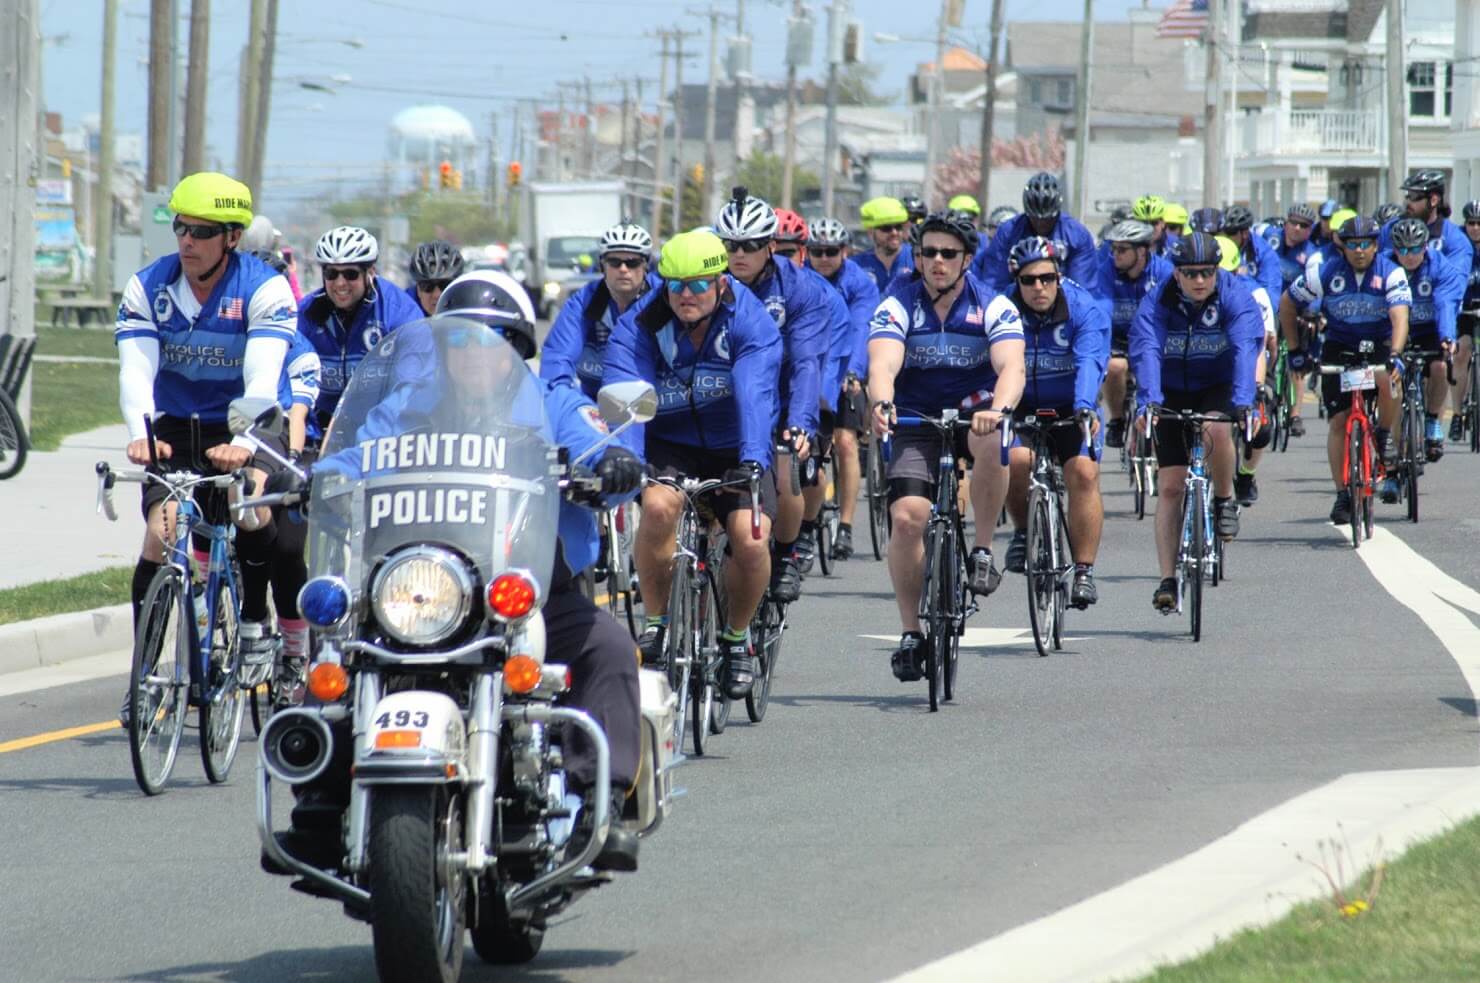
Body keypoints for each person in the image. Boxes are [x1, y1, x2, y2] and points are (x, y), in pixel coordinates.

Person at [113, 171, 298, 725]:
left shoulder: (263, 289)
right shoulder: (148, 287)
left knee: (250, 507)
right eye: (180, 228)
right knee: (160, 532)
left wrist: (243, 442)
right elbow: (136, 370)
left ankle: (255, 620)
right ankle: (144, 678)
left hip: (243, 422)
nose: (187, 241)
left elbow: (263, 379)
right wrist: (140, 431)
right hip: (172, 427)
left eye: (201, 231)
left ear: (233, 238)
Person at [604, 230, 783, 700]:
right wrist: (632, 462)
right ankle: (659, 621)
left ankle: (736, 639)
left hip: (734, 444)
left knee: (749, 537)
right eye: (675, 285)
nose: (686, 295)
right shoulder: (640, 324)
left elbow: (754, 392)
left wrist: (751, 461)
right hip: (671, 441)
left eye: (699, 284)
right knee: (660, 508)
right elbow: (629, 395)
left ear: (721, 283)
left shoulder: (750, 320)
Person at [867, 211, 1025, 681]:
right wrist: (882, 402)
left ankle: (980, 550)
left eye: (948, 254)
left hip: (975, 412)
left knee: (994, 438)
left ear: (967, 260)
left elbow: (1012, 367)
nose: (937, 261)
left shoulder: (994, 306)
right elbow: (883, 363)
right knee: (907, 517)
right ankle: (911, 631)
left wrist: (998, 408)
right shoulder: (897, 304)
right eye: (928, 253)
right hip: (916, 416)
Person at [1130, 232, 1264, 612]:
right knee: (1171, 486)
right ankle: (1167, 579)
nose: (1200, 280)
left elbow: (1244, 349)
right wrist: (1149, 404)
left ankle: (1223, 501)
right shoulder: (1156, 302)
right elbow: (1148, 350)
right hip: (1171, 389)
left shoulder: (1236, 297)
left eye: (1207, 271)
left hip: (1218, 385)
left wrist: (1242, 403)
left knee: (1216, 429)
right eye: (1190, 273)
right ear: (1176, 273)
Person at [714, 192, 831, 604]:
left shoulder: (799, 288)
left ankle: (784, 555)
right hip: (727, 395)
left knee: (785, 472)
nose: (739, 254)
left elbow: (805, 364)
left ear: (770, 245)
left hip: (783, 393)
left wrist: (800, 422)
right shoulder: (707, 281)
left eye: (749, 245)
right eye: (730, 245)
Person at [999, 237, 1110, 607]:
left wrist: (1084, 407)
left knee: (1083, 473)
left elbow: (1090, 361)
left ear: (1059, 276)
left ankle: (1083, 570)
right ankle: (1020, 531)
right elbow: (988, 366)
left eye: (1047, 278)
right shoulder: (1001, 309)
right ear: (1016, 281)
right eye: (1029, 280)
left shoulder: (1083, 308)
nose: (1039, 287)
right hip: (1019, 407)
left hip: (1070, 406)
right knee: (1016, 461)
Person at [1281, 215, 1412, 524]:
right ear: (1343, 247)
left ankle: (1383, 435)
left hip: (1379, 344)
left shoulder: (1392, 273)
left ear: (1376, 245)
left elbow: (1400, 317)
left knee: (1389, 379)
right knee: (1339, 422)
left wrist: (1395, 353)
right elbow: (1287, 304)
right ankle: (1342, 493)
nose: (1359, 250)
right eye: (1352, 245)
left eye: (1366, 244)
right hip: (1338, 347)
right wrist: (1296, 350)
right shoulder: (1325, 274)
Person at [296, 225, 424, 440]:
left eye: (350, 274)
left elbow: (413, 384)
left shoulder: (399, 312)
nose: (340, 283)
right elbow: (291, 381)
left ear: (370, 272)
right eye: (331, 273)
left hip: (382, 432)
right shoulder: (306, 314)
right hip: (323, 433)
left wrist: (375, 432)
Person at [808, 216, 879, 560]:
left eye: (831, 251)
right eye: (817, 251)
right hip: (810, 371)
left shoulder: (859, 283)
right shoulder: (800, 280)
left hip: (845, 368)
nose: (823, 258)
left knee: (846, 443)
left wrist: (853, 372)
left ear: (845, 252)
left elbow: (861, 329)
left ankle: (847, 526)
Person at [541, 222, 660, 403]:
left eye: (632, 262)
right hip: (597, 409)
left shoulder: (661, 298)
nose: (623, 269)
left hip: (655, 406)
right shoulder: (583, 302)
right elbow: (557, 358)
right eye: (614, 262)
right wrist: (559, 404)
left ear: (646, 265)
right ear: (602, 265)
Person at [1386, 217, 1463, 472]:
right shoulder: (1385, 266)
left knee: (1440, 367)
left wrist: (1447, 337)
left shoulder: (1440, 266)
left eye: (1416, 249)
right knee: (1394, 387)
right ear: (1395, 249)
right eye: (1403, 250)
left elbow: (1445, 304)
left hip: (1430, 329)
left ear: (1426, 246)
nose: (1410, 256)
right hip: (1396, 330)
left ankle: (1432, 419)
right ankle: (1395, 458)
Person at [1097, 219, 1173, 448]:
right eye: (1113, 249)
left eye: (1121, 249)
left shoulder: (1164, 272)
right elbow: (1101, 309)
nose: (1115, 255)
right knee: (1115, 367)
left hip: (1153, 336)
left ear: (1141, 251)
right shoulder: (1106, 271)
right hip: (1119, 337)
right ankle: (1118, 420)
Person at [972, 172, 1098, 294]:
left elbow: (1082, 290)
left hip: (1063, 302)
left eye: (1047, 219)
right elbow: (994, 283)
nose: (1041, 224)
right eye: (1035, 218)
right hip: (1017, 301)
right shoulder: (1007, 233)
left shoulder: (1077, 235)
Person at [1381, 170, 1475, 273]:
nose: (1408, 202)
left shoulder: (1455, 240)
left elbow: (1454, 282)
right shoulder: (1390, 228)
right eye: (1407, 195)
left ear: (1433, 200)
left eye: (1414, 196)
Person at [1451, 200, 1480, 442]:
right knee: (1462, 352)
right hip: (1465, 309)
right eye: (1471, 223)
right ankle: (1458, 414)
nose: (1475, 228)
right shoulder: (1458, 245)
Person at [1221, 206, 1283, 303]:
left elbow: (1271, 298)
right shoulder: (1217, 245)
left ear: (1245, 233)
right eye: (1222, 231)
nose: (1225, 237)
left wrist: (1240, 277)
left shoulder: (1265, 253)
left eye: (1230, 233)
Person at [856, 197, 915, 288]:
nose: (894, 232)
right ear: (870, 232)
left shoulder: (917, 258)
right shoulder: (857, 266)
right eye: (886, 228)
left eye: (898, 227)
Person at [404, 239, 465, 315]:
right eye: (427, 286)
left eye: (445, 285)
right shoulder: (402, 310)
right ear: (418, 290)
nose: (436, 295)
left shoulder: (470, 307)